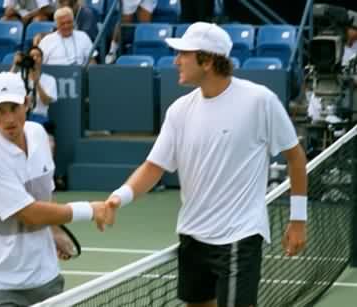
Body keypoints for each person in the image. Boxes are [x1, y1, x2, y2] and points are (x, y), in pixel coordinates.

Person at [104, 22, 308, 307]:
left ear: (208, 60)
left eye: (184, 54)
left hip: (240, 236)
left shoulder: (259, 101)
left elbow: (295, 157)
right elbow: (153, 167)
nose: (176, 61)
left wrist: (298, 219)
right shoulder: (179, 111)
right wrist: (118, 198)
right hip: (193, 236)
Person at [0, 72, 107, 307]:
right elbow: (29, 213)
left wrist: (55, 230)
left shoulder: (38, 135)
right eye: (0, 110)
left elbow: (43, 193)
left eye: (14, 107)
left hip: (44, 278)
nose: (9, 118)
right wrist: (89, 210)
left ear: (27, 103)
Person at [10, 46, 58, 153]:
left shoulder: (49, 79)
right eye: (32, 56)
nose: (35, 58)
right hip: (21, 119)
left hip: (40, 119)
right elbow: (5, 86)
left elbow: (46, 101)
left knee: (50, 145)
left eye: (38, 56)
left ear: (42, 59)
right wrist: (15, 65)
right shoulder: (19, 77)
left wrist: (37, 81)